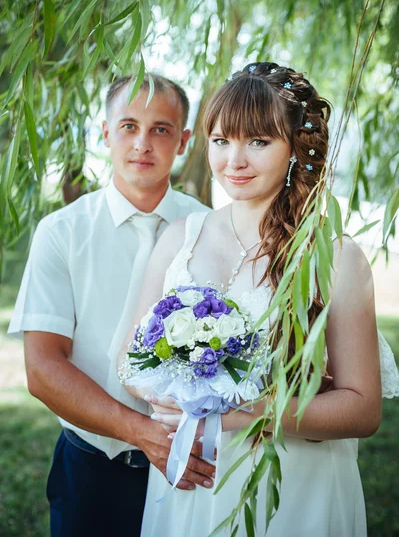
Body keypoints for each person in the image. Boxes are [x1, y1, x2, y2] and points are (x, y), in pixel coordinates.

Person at [119, 61, 399, 536]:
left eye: (258, 141)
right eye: (222, 140)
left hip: (292, 485)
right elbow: (131, 364)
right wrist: (174, 395)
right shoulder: (178, 240)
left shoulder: (336, 257)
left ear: (295, 147)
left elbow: (363, 409)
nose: (235, 161)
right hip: (193, 481)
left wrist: (248, 412)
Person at [8, 73, 215, 537]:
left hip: (191, 471)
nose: (143, 142)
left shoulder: (210, 229)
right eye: (128, 126)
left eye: (161, 129)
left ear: (183, 141)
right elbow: (42, 370)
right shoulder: (61, 233)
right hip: (90, 471)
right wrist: (142, 434)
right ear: (105, 133)